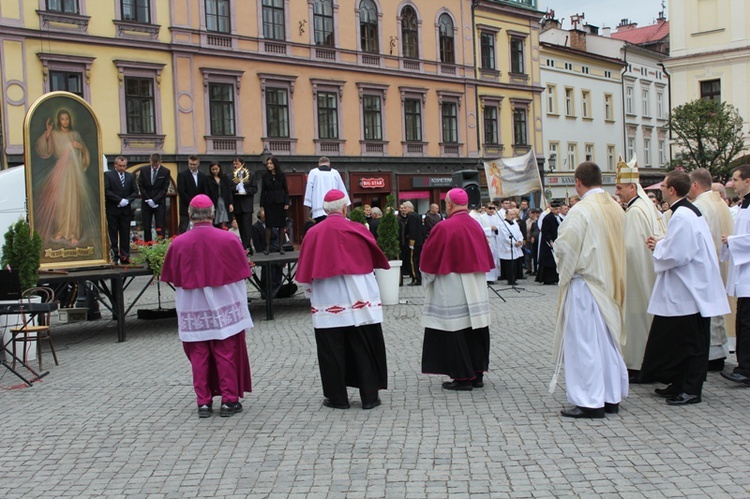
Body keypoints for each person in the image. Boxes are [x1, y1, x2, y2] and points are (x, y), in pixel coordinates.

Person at [640, 171, 730, 405]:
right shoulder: (686, 211)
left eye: (663, 186)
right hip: (688, 286)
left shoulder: (682, 215)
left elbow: (679, 253)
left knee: (691, 343)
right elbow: (682, 244)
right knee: (680, 340)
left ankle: (691, 389)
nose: (660, 190)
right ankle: (679, 382)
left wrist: (657, 249)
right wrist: (662, 243)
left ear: (671, 190)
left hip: (690, 290)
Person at [160, 194, 253, 418]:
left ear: (190, 215)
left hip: (193, 305)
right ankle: (229, 401)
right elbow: (242, 273)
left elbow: (172, 276)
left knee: (198, 354)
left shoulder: (179, 242)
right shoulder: (229, 239)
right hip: (224, 302)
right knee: (226, 350)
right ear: (213, 214)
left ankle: (203, 402)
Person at [296, 189, 390, 410]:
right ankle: (369, 396)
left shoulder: (314, 233)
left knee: (331, 349)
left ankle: (337, 398)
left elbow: (305, 271)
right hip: (359, 295)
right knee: (363, 344)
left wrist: (309, 292)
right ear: (345, 208)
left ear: (324, 209)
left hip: (328, 296)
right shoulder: (358, 229)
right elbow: (374, 260)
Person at [550, 162, 628, 419]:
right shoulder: (615, 207)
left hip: (586, 284)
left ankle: (589, 400)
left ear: (578, 182)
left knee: (584, 342)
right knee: (606, 341)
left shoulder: (581, 210)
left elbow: (568, 247)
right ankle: (610, 395)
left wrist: (557, 253)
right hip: (609, 282)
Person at [420, 188, 495, 390]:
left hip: (451, 283)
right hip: (476, 283)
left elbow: (429, 259)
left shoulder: (444, 227)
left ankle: (463, 378)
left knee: (455, 329)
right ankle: (477, 374)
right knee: (476, 328)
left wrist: (427, 280)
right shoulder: (476, 225)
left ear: (450, 204)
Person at [613, 156, 666, 381]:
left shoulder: (635, 211)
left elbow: (631, 249)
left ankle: (637, 364)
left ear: (632, 187)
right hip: (649, 271)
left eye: (620, 188)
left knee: (637, 318)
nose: (617, 193)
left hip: (637, 275)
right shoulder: (646, 205)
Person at [689, 168, 734, 371]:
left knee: (710, 312)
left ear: (695, 185)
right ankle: (719, 352)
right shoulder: (720, 202)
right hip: (723, 261)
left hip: (708, 265)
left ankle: (712, 355)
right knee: (719, 311)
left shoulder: (700, 206)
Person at [34, 108, 95, 246]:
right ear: (59, 121)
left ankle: (73, 233)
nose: (65, 121)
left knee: (73, 202)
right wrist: (48, 134)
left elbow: (85, 151)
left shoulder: (75, 134)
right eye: (62, 119)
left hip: (74, 172)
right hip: (60, 171)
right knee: (61, 201)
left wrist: (80, 146)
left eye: (67, 119)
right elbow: (46, 151)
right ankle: (60, 230)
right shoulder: (54, 134)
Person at [721, 164, 750, 386]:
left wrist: (731, 241)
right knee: (743, 321)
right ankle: (743, 365)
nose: (733, 183)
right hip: (744, 274)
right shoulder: (743, 207)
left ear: (747, 181)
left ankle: (746, 368)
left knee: (747, 322)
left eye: (735, 179)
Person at [104, 156, 138, 264]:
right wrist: (119, 200)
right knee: (113, 234)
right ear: (115, 165)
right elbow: (107, 190)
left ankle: (125, 256)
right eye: (120, 166)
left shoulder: (130, 176)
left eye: (124, 166)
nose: (122, 168)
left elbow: (135, 191)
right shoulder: (108, 175)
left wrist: (128, 200)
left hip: (126, 210)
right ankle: (114, 256)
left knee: (125, 234)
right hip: (113, 210)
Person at [303, 156, 349, 224]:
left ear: (319, 164)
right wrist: (345, 204)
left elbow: (309, 188)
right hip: (334, 207)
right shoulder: (335, 173)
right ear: (329, 164)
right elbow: (341, 188)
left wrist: (309, 203)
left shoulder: (313, 172)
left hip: (318, 208)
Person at [138, 153, 172, 242]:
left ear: (161, 162)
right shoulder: (144, 170)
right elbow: (141, 185)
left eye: (156, 165)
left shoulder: (165, 171)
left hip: (159, 203)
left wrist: (155, 200)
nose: (155, 167)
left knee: (160, 227)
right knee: (146, 226)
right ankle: (148, 247)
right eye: (153, 165)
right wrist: (148, 199)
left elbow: (164, 188)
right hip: (146, 202)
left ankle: (161, 247)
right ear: (150, 161)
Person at [259, 156, 290, 255]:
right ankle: (267, 247)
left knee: (281, 225)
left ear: (275, 164)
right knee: (269, 225)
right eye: (267, 163)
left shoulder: (281, 175)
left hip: (280, 202)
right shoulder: (265, 176)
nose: (269, 165)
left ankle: (281, 247)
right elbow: (263, 191)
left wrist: (286, 202)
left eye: (270, 163)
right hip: (269, 202)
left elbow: (286, 190)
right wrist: (262, 206)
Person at [230, 157, 258, 254]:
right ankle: (246, 246)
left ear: (242, 163)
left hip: (247, 204)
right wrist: (236, 189)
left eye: (237, 163)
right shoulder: (232, 175)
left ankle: (246, 247)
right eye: (234, 163)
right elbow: (230, 188)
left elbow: (254, 188)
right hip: (237, 204)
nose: (235, 165)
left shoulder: (251, 174)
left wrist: (245, 191)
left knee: (247, 226)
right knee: (241, 226)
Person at [177, 155, 207, 234]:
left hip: (200, 208)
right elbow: (181, 192)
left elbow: (204, 192)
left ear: (198, 164)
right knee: (183, 228)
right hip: (186, 207)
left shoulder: (203, 176)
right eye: (190, 164)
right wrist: (191, 203)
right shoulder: (182, 175)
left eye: (194, 164)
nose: (192, 166)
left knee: (200, 228)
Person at [202, 161, 234, 229]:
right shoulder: (207, 179)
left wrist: (231, 203)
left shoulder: (225, 178)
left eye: (216, 169)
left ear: (219, 169)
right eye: (213, 169)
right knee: (215, 218)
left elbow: (229, 191)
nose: (215, 171)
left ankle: (223, 229)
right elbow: (206, 192)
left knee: (224, 217)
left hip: (224, 201)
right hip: (214, 202)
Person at [498, 208, 524, 285]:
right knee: (509, 264)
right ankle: (510, 279)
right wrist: (513, 243)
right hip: (508, 247)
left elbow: (519, 233)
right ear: (506, 215)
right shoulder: (502, 224)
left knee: (515, 263)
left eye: (514, 214)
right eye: (511, 214)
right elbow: (505, 237)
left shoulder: (515, 222)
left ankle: (515, 278)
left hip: (516, 246)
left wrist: (520, 240)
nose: (513, 216)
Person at [537, 201, 561, 284]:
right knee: (549, 261)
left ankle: (555, 278)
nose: (557, 211)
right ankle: (548, 279)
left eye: (558, 209)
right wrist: (550, 241)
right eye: (556, 209)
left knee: (555, 261)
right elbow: (545, 231)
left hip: (557, 241)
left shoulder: (558, 218)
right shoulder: (547, 218)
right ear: (552, 209)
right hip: (549, 242)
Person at [402, 201, 424, 286]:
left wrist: (411, 243)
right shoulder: (415, 215)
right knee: (415, 260)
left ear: (411, 208)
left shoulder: (411, 216)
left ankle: (416, 278)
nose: (403, 209)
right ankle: (417, 278)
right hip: (418, 242)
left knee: (413, 261)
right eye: (403, 208)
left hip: (414, 242)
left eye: (405, 208)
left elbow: (412, 230)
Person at [479, 203, 502, 282]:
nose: (491, 210)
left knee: (495, 258)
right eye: (490, 208)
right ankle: (487, 277)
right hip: (487, 239)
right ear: (485, 208)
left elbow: (500, 226)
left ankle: (494, 277)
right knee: (488, 258)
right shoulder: (481, 217)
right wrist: (489, 228)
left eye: (493, 208)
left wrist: (496, 228)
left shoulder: (496, 217)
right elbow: (480, 229)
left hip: (494, 239)